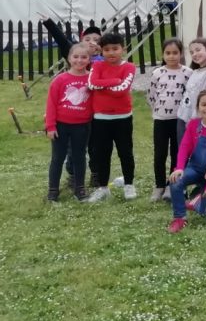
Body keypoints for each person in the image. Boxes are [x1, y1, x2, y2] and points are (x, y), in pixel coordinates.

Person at [167, 90, 206, 233]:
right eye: (204, 104)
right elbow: (184, 147)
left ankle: (196, 202)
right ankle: (179, 218)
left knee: (205, 213)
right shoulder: (193, 124)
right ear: (198, 106)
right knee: (175, 181)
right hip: (194, 169)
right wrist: (179, 168)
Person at [86, 32, 137, 202]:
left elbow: (121, 90)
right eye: (107, 49)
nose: (111, 53)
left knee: (125, 152)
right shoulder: (97, 65)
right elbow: (91, 84)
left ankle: (129, 184)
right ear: (101, 51)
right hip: (101, 118)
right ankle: (103, 187)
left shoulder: (129, 67)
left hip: (123, 117)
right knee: (102, 153)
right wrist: (114, 81)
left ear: (123, 49)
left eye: (115, 48)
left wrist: (103, 86)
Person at [45, 42, 92, 201]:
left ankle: (80, 188)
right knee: (57, 158)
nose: (79, 60)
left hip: (82, 126)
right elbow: (51, 104)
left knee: (79, 157)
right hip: (61, 125)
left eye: (84, 57)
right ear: (69, 58)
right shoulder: (60, 80)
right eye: (75, 56)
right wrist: (50, 126)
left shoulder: (92, 79)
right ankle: (53, 190)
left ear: (89, 59)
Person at [146, 38, 190, 202]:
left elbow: (189, 95)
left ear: (181, 54)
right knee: (160, 153)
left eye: (175, 53)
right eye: (168, 53)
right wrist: (158, 110)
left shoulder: (187, 73)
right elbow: (151, 95)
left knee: (177, 153)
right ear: (163, 54)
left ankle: (173, 185)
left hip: (179, 120)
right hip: (161, 119)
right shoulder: (157, 73)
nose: (171, 56)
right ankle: (159, 185)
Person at [178, 38, 206, 145]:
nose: (194, 54)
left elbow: (204, 99)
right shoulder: (195, 72)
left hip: (195, 120)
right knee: (182, 150)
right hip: (183, 116)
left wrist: (193, 121)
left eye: (198, 50)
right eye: (192, 52)